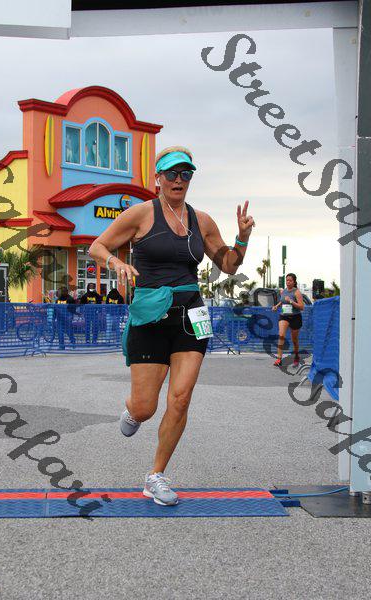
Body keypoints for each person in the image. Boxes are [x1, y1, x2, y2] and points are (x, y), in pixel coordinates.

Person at [89, 146, 255, 506]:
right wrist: (117, 264)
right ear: (158, 179)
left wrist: (242, 237)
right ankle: (133, 411)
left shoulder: (202, 221)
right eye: (171, 173)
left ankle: (156, 475)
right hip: (151, 317)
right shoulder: (140, 214)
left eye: (185, 174)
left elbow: (228, 264)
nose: (178, 180)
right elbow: (97, 247)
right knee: (146, 407)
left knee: (180, 398)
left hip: (191, 316)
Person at [272, 273, 304, 367]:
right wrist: (276, 306)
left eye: (290, 280)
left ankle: (296, 356)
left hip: (295, 317)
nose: (288, 282)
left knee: (294, 340)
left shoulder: (297, 292)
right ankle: (279, 359)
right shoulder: (283, 291)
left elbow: (302, 307)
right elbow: (282, 301)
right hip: (284, 316)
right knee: (281, 335)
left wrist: (291, 301)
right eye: (287, 280)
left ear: (294, 282)